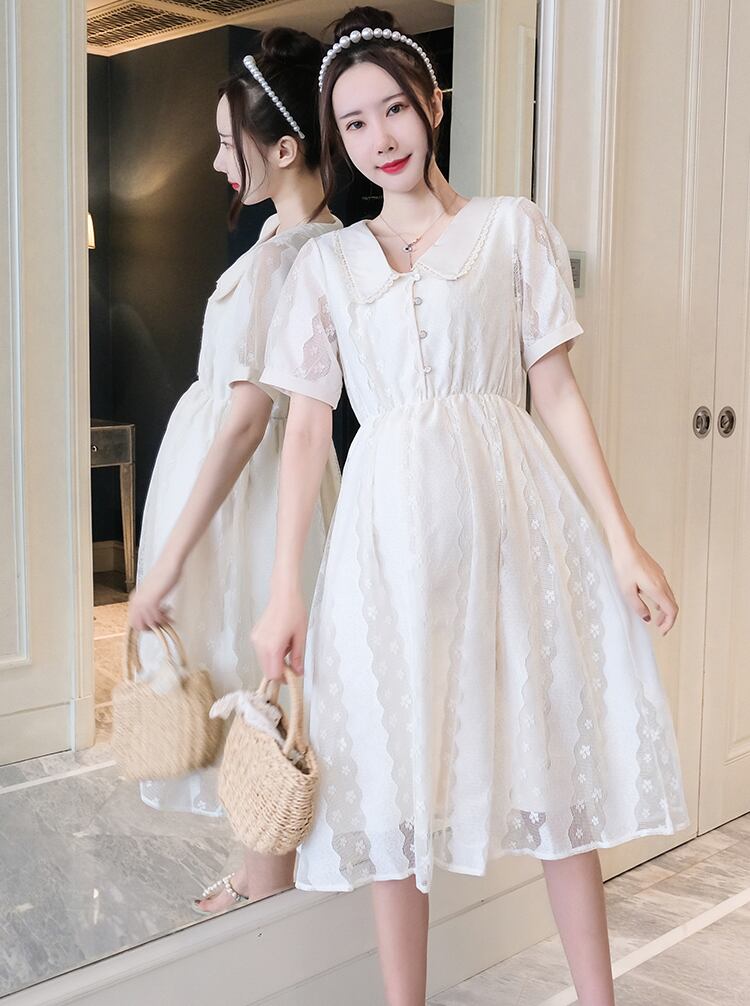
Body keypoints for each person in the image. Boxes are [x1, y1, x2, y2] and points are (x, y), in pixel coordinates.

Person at [252, 7, 690, 1004]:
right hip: (385, 545)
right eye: (354, 123)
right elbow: (306, 433)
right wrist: (284, 591)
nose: (380, 137)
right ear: (336, 139)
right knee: (394, 779)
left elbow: (557, 391)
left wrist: (624, 543)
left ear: (432, 104)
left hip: (512, 527)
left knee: (552, 758)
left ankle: (599, 998)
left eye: (395, 108)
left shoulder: (510, 228)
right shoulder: (325, 265)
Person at [127, 26, 342, 916]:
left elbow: (248, 419)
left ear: (283, 148)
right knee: (253, 682)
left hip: (248, 497)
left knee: (262, 689)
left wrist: (170, 557)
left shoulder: (297, 256)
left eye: (228, 143)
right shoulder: (289, 240)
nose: (219, 161)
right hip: (244, 487)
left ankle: (268, 892)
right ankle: (261, 877)